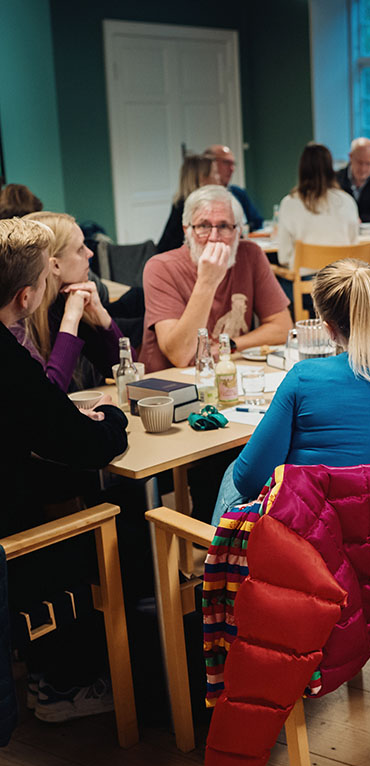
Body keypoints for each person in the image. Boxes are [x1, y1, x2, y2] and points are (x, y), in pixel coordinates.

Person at [0, 218, 130, 731]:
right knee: (102, 515)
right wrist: (112, 418)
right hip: (13, 529)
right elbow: (84, 443)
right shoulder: (10, 360)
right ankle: (64, 681)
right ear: (28, 295)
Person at [212, 259, 370, 522]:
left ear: (328, 329)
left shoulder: (304, 379)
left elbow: (249, 480)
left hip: (315, 544)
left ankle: (215, 560)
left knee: (233, 472)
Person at [140, 185, 292, 371]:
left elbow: (282, 327)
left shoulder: (250, 255)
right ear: (187, 231)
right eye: (203, 226)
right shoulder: (160, 267)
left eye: (223, 226)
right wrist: (207, 280)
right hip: (168, 386)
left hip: (227, 372)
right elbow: (181, 355)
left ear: (237, 231)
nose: (214, 237)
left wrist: (228, 345)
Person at [8, 212, 122, 391]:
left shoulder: (67, 297)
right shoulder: (15, 318)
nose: (90, 253)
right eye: (80, 249)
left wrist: (101, 314)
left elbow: (122, 370)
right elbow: (48, 394)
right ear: (54, 265)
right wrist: (71, 319)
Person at [274, 142, 360, 269]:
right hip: (342, 279)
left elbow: (284, 257)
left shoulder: (289, 203)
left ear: (302, 169)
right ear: (331, 169)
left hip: (306, 282)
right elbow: (354, 246)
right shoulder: (347, 201)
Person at [156, 154, 218, 253]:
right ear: (202, 178)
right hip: (174, 261)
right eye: (215, 173)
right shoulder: (194, 206)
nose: (218, 178)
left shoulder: (181, 202)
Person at [205, 144, 264, 232]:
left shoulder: (238, 192)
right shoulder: (200, 197)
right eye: (226, 163)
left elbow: (257, 221)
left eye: (233, 164)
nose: (232, 169)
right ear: (210, 164)